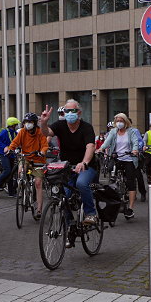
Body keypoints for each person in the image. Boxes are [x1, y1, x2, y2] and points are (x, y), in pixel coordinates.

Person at [39, 100, 99, 241]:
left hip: (86, 166)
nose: (70, 114)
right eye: (67, 111)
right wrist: (44, 122)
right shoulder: (60, 125)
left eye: (73, 111)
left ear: (79, 112)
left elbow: (90, 147)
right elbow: (46, 132)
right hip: (67, 167)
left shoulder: (86, 127)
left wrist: (84, 162)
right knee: (61, 194)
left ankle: (91, 213)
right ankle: (70, 224)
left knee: (81, 184)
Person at [97, 113, 140, 219]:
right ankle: (114, 196)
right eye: (117, 121)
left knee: (130, 182)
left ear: (125, 122)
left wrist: (135, 150)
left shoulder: (131, 132)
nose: (119, 123)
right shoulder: (113, 132)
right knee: (110, 174)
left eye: (121, 120)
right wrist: (101, 148)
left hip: (129, 158)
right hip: (116, 158)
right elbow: (107, 142)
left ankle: (130, 208)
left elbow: (135, 142)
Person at [8, 113, 48, 218]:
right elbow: (15, 143)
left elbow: (44, 145)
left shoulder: (40, 133)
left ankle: (39, 209)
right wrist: (9, 149)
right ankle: (22, 184)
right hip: (26, 158)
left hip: (38, 160)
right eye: (26, 122)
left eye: (30, 122)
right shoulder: (22, 132)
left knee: (38, 183)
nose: (27, 124)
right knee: (20, 170)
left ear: (34, 123)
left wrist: (42, 152)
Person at [0, 117, 20, 196]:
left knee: (11, 173)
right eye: (16, 124)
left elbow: (18, 141)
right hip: (3, 154)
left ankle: (11, 192)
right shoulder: (4, 132)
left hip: (11, 154)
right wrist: (4, 147)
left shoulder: (15, 132)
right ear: (13, 125)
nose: (17, 125)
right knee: (7, 170)